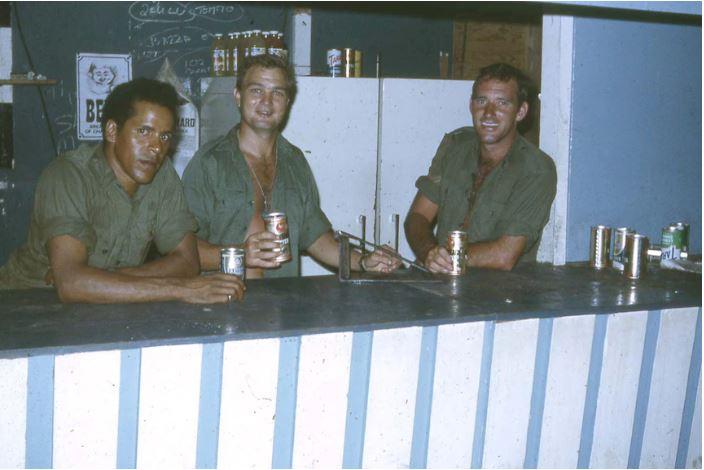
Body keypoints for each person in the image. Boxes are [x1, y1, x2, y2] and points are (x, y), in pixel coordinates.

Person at [0, 78, 244, 303]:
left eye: (165, 136)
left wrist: (103, 278)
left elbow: (187, 262)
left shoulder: (162, 174)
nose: (156, 148)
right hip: (28, 303)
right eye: (144, 131)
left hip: (111, 301)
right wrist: (184, 289)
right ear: (112, 131)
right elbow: (71, 285)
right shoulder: (68, 175)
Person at [183, 55, 400, 277]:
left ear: (287, 102)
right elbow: (181, 250)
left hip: (283, 305)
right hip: (222, 304)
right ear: (238, 96)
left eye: (277, 93)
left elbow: (315, 237)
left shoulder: (295, 161)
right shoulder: (209, 163)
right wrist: (239, 254)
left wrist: (363, 261)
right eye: (257, 90)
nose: (266, 102)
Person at [405, 63, 557, 273]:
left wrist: (445, 258)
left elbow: (504, 255)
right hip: (440, 283)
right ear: (471, 105)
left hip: (497, 294)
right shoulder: (455, 145)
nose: (488, 113)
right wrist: (428, 251)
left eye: (502, 103)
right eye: (481, 101)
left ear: (520, 112)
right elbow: (418, 216)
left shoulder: (536, 168)